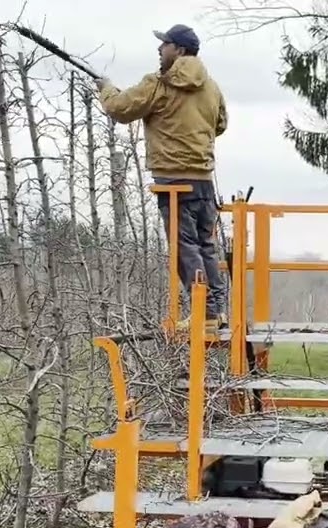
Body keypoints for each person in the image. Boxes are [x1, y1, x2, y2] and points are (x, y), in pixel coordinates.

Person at [97, 23, 229, 329]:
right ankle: (216, 311)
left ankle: (204, 313)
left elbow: (120, 108)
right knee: (206, 246)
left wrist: (106, 89)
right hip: (203, 181)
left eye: (164, 44)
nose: (159, 49)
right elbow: (220, 124)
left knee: (185, 248)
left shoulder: (159, 83)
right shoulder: (211, 87)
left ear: (178, 50)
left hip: (173, 181)